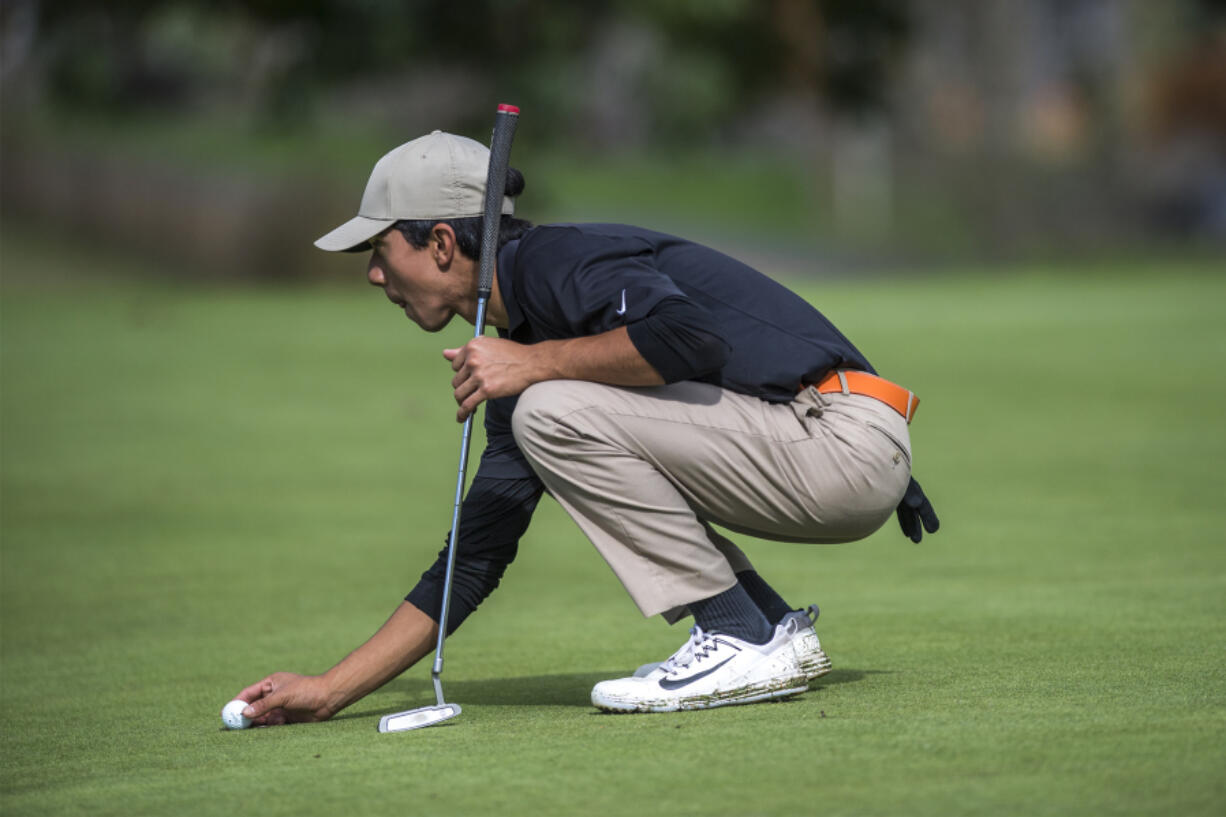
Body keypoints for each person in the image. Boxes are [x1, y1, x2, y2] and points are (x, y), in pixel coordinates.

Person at [230, 130, 939, 723]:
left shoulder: (551, 266)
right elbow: (474, 556)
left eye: (379, 252)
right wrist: (329, 690)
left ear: (442, 243)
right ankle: (771, 629)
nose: (375, 277)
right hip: (826, 443)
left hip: (838, 442)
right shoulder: (530, 355)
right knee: (547, 406)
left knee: (549, 406)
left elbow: (688, 338)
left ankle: (734, 631)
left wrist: (531, 365)